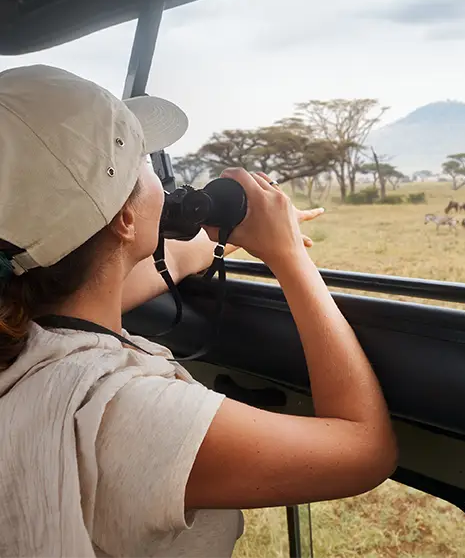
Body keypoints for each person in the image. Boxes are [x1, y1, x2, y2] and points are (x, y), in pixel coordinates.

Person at [0, 64, 398, 557]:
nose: (160, 179)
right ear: (125, 217)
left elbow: (162, 261)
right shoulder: (120, 413)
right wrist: (290, 257)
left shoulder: (21, 324)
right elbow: (365, 451)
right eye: (142, 162)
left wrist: (233, 234)